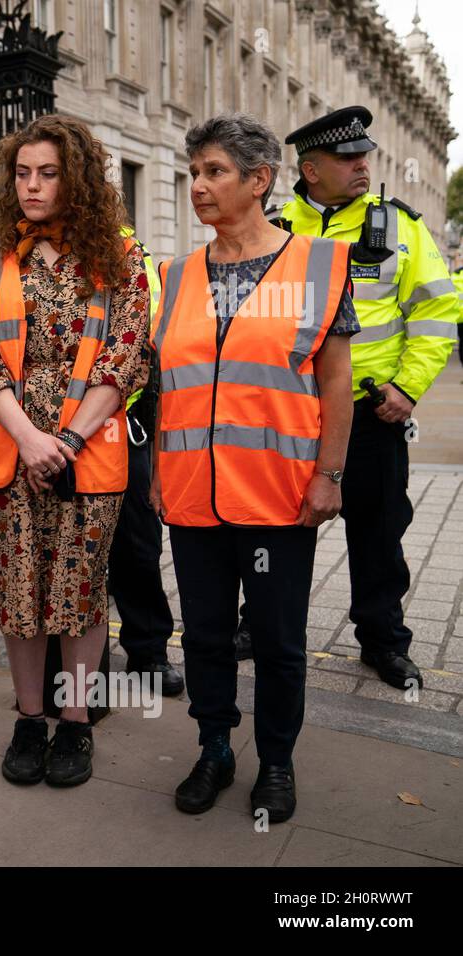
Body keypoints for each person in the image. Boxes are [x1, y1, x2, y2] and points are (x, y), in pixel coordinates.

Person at [151, 113, 356, 824]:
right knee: (204, 634)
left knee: (276, 641)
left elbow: (336, 381)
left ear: (260, 180)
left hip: (278, 496)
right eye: (195, 173)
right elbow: (170, 383)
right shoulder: (175, 276)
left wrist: (330, 473)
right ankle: (213, 748)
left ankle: (276, 761)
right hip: (192, 496)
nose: (199, 186)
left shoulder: (320, 265)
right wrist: (156, 469)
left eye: (214, 172)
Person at [236, 107, 461, 690]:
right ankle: (257, 625)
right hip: (288, 413)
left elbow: (437, 309)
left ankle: (383, 642)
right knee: (274, 531)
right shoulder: (275, 226)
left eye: (365, 155)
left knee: (378, 535)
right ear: (310, 170)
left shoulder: (400, 226)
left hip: (370, 414)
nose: (363, 164)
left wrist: (408, 387)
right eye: (347, 157)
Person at [0, 114, 150, 789]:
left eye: (48, 173)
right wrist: (31, 440)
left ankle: (75, 722)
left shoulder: (121, 256)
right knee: (17, 591)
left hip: (87, 450)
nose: (33, 186)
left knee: (80, 589)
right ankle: (29, 718)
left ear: (76, 179)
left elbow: (126, 360)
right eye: (22, 173)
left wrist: (65, 441)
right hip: (9, 448)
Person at [109, 227, 184, 697]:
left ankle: (147, 650)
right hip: (44, 426)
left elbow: (150, 337)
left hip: (123, 418)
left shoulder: (125, 249)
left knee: (136, 544)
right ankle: (57, 657)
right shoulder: (23, 246)